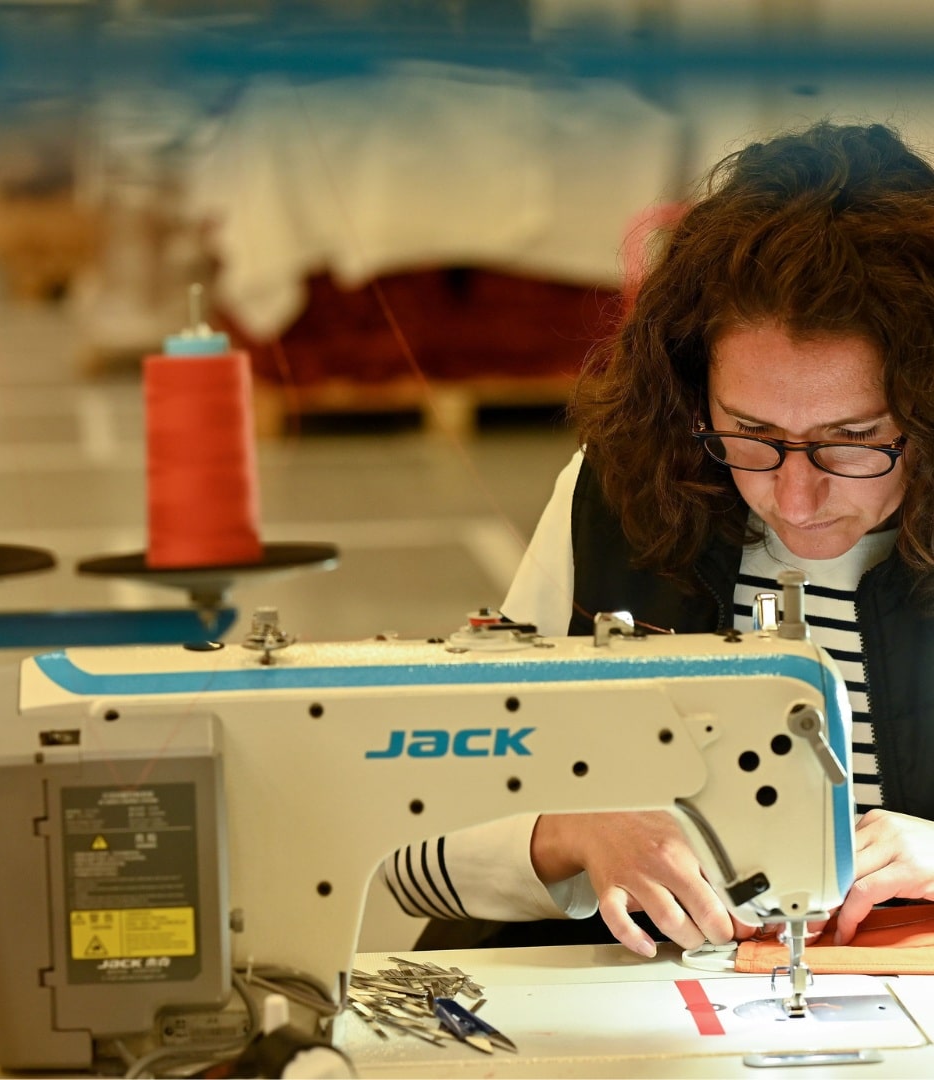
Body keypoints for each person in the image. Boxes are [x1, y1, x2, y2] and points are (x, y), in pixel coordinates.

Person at [381, 119, 934, 959]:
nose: (793, 495)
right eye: (749, 432)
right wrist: (570, 835)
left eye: (850, 440)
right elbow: (407, 846)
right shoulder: (623, 497)